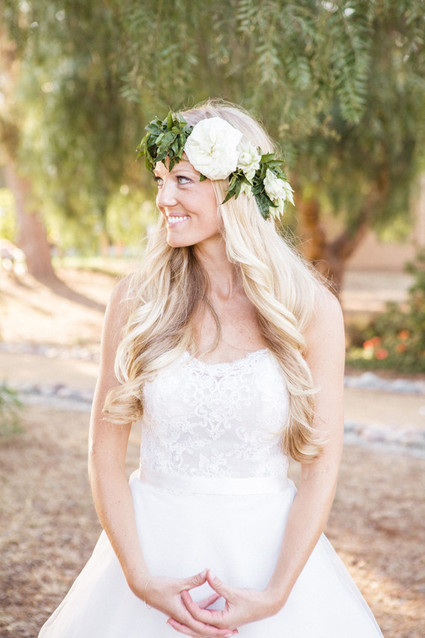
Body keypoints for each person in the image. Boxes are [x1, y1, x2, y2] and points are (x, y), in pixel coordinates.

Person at [39, 100, 384, 637]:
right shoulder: (136, 301)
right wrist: (139, 579)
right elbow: (103, 455)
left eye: (183, 180)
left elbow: (322, 467)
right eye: (160, 180)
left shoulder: (311, 310)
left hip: (266, 567)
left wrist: (275, 596)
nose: (164, 198)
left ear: (236, 187)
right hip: (153, 560)